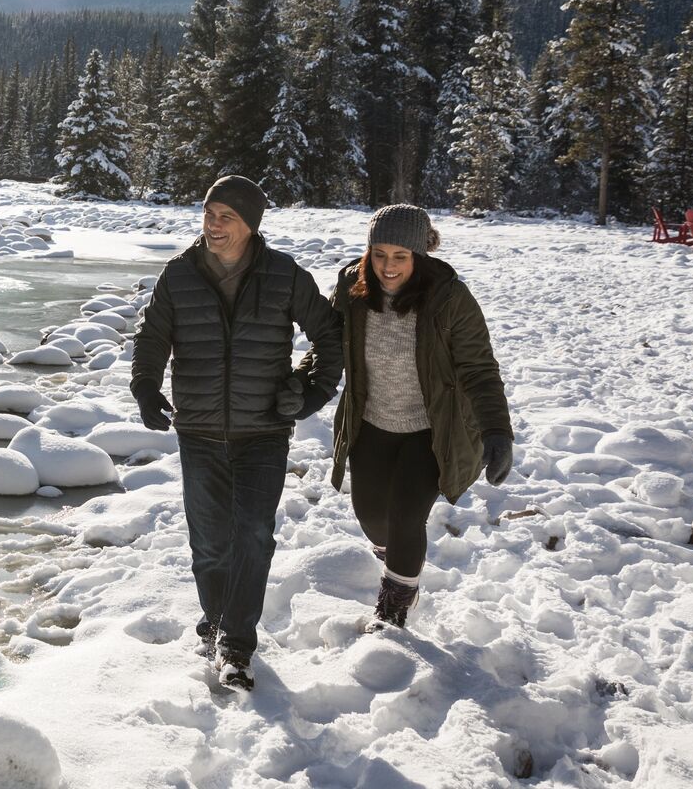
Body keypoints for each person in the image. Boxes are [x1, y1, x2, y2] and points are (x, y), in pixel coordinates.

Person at [132, 174, 343, 689]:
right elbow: (154, 334)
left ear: (251, 224)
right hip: (199, 429)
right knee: (208, 543)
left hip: (263, 431)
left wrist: (311, 391)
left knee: (252, 535)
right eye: (209, 212)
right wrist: (145, 386)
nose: (214, 224)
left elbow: (330, 336)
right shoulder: (179, 274)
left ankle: (236, 644)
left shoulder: (284, 275)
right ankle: (215, 620)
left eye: (227, 216)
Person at [330, 204, 513, 628]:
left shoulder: (449, 300)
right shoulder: (350, 288)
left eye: (400, 256)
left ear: (419, 255)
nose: (387, 266)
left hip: (430, 432)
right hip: (370, 423)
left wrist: (497, 430)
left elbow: (479, 369)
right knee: (373, 520)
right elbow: (326, 346)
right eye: (379, 254)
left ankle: (394, 608)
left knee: (406, 516)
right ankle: (398, 557)